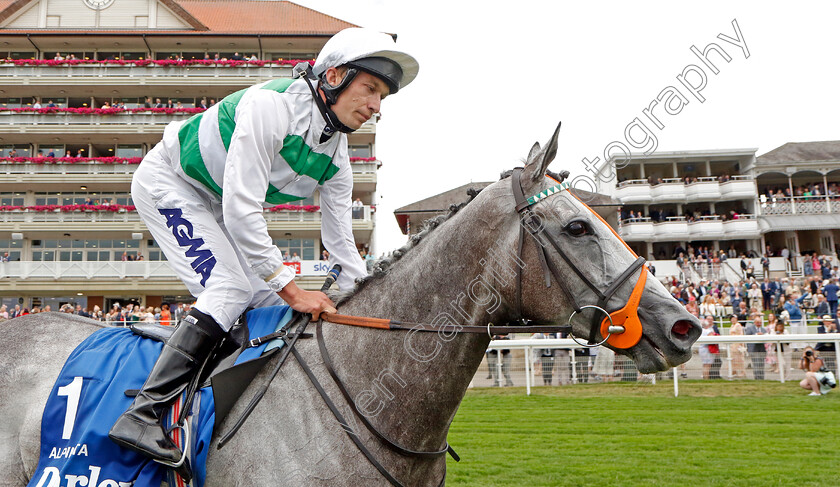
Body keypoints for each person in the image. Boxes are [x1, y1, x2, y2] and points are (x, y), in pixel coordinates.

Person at [109, 28, 419, 464]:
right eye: (370, 88)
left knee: (257, 299)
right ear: (332, 76)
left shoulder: (338, 155)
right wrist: (292, 289)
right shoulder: (269, 108)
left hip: (214, 203)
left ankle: (207, 400)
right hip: (171, 184)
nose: (375, 106)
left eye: (382, 97)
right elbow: (242, 212)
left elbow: (344, 249)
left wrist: (371, 303)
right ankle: (142, 413)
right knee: (231, 290)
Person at [745, 315, 767, 380]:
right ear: (754, 322)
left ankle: (762, 377)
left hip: (761, 348)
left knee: (761, 364)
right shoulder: (750, 328)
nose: (759, 323)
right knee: (756, 364)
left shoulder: (763, 329)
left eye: (760, 322)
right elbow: (747, 336)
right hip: (754, 348)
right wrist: (757, 334)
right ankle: (757, 377)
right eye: (757, 322)